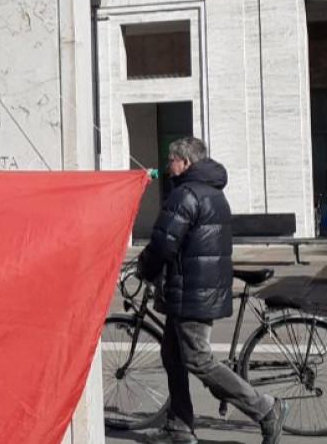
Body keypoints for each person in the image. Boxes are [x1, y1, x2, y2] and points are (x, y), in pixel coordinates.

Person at [136, 137, 288, 444]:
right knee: (172, 354)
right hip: (198, 288)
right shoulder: (214, 192)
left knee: (197, 359)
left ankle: (265, 408)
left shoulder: (185, 194)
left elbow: (164, 243)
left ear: (186, 163)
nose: (168, 167)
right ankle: (179, 427)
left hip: (190, 291)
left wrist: (143, 268)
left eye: (172, 161)